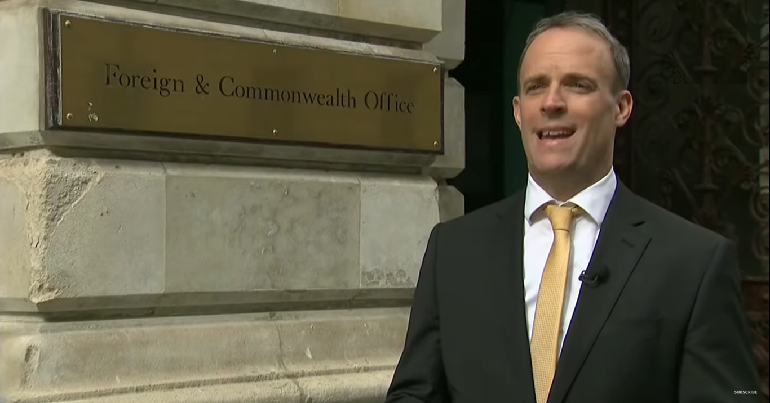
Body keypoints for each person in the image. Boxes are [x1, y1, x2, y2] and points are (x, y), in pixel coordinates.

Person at [384, 11, 762, 403]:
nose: (551, 102)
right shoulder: (454, 251)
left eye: (577, 85)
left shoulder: (694, 262)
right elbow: (415, 394)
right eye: (536, 87)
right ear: (518, 112)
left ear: (621, 108)